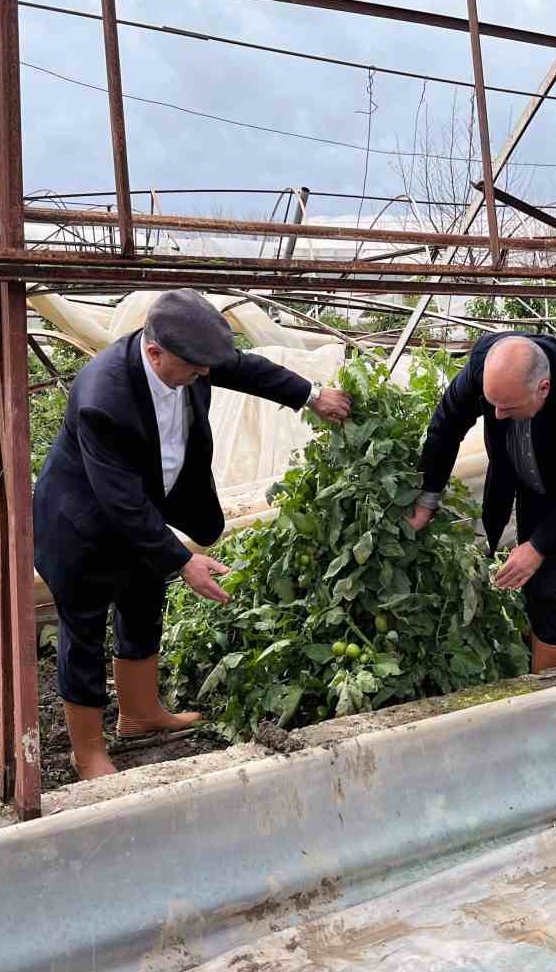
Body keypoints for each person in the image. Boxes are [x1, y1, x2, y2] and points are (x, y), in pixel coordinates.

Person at [33, 290, 352, 780]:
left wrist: (311, 395)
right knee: (85, 632)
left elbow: (243, 368)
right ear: (154, 352)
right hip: (82, 526)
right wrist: (182, 559)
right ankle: (88, 754)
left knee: (143, 601)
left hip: (147, 509)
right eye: (195, 368)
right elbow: (120, 501)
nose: (205, 375)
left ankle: (140, 715)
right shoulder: (104, 397)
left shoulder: (191, 359)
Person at [409, 332, 556, 672]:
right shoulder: (488, 364)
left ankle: (548, 690)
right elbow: (446, 425)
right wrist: (427, 499)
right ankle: (537, 658)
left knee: (546, 591)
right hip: (532, 489)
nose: (495, 416)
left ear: (543, 388)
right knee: (531, 589)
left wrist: (539, 545)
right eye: (491, 403)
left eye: (508, 407)